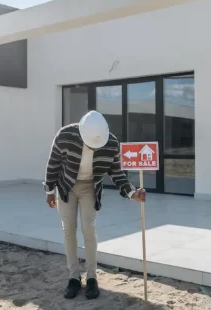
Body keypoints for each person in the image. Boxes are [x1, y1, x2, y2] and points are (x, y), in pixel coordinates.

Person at [44, 110, 147, 300]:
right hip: (66, 186)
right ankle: (74, 277)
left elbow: (117, 172)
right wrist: (49, 190)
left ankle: (92, 277)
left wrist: (132, 193)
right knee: (68, 229)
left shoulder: (111, 143)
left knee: (88, 229)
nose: (94, 147)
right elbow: (54, 163)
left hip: (90, 187)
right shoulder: (65, 135)